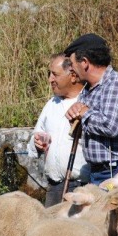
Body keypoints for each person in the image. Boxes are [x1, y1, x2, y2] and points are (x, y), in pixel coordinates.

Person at [63, 33, 118, 185]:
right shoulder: (87, 89)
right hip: (95, 171)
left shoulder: (115, 84)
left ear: (84, 62)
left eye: (72, 64)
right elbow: (87, 127)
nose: (71, 70)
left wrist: (84, 112)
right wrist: (74, 119)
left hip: (113, 172)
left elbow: (111, 126)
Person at [28, 53, 90, 207]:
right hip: (54, 188)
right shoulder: (51, 104)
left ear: (73, 76)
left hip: (81, 189)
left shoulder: (90, 102)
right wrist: (36, 142)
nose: (50, 79)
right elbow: (36, 135)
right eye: (49, 74)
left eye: (55, 74)